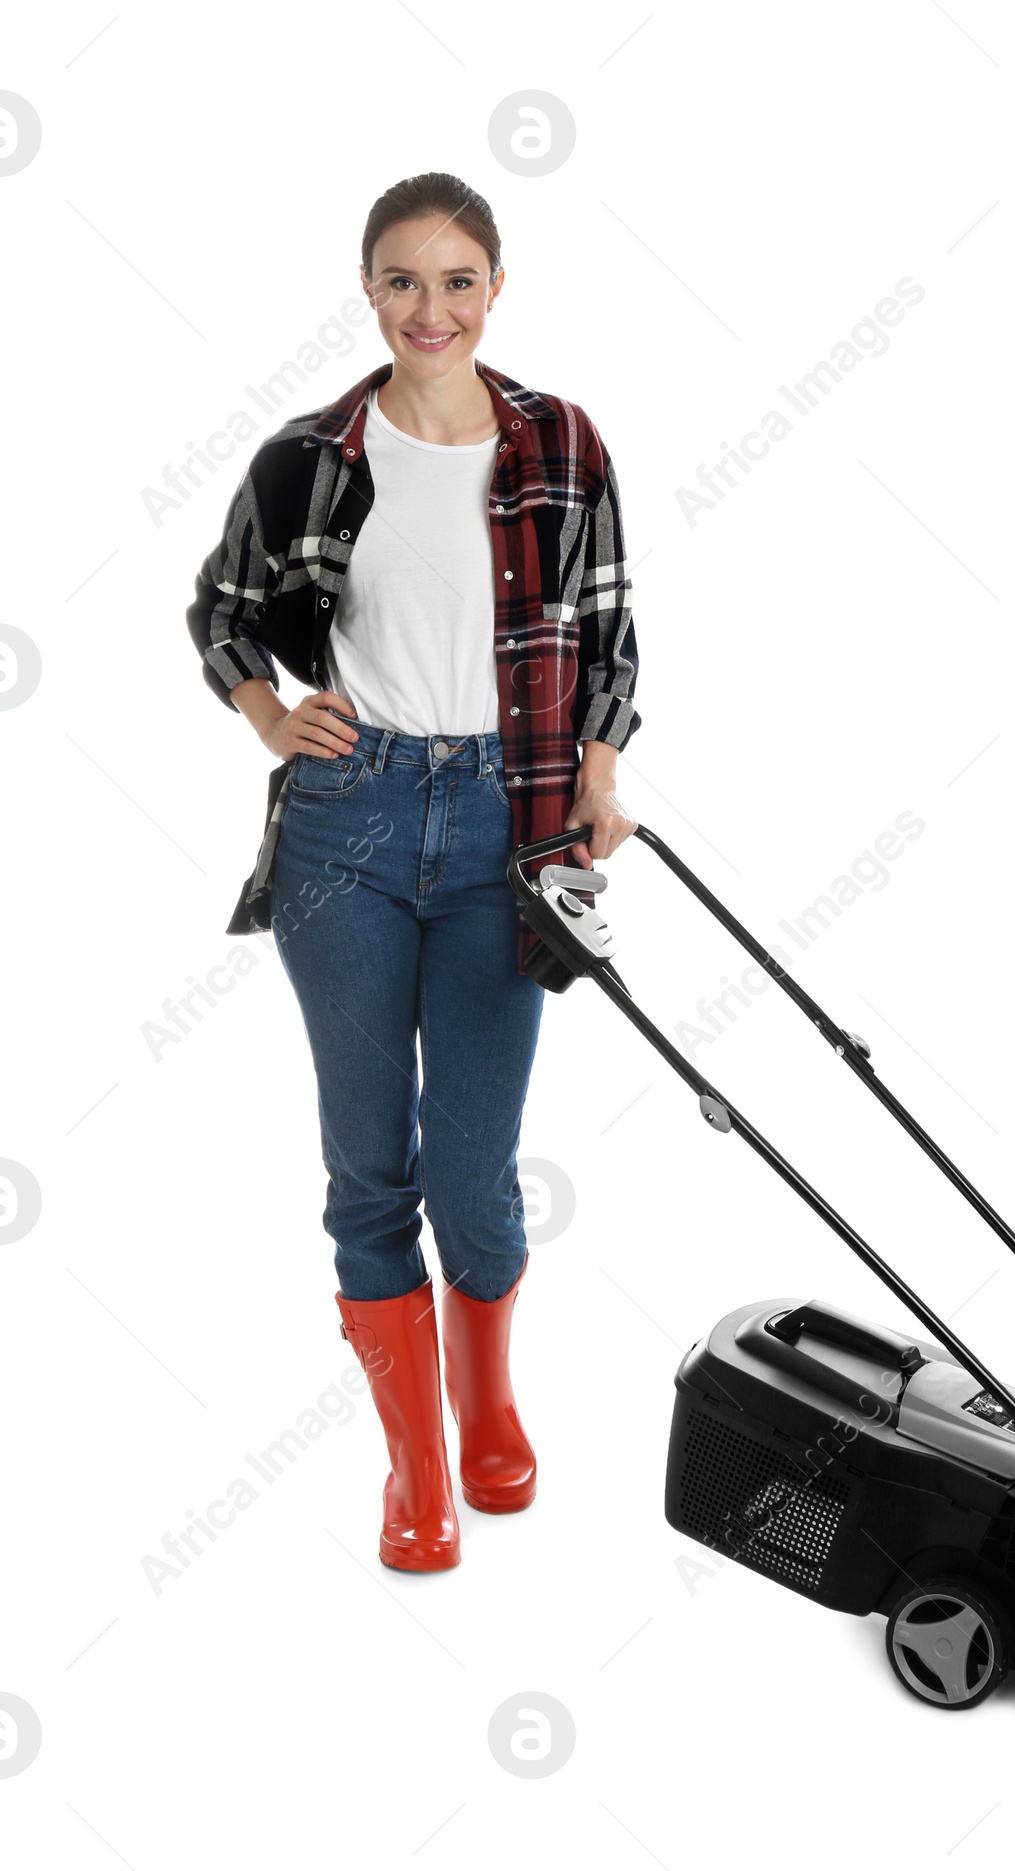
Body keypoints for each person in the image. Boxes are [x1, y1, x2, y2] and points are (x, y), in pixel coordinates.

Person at [185, 171, 641, 1572]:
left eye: (456, 281)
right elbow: (220, 610)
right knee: (368, 1169)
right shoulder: (309, 457)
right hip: (351, 826)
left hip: (515, 830)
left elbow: (612, 628)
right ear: (368, 291)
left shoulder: (561, 442)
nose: (428, 309)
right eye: (401, 281)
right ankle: (415, 1463)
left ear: (495, 288)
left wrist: (600, 770)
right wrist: (271, 712)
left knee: (474, 1171)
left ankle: (487, 1397)